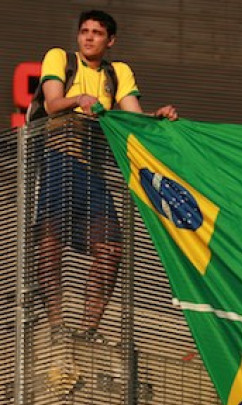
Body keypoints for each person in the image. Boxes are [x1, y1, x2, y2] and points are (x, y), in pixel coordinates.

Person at [36, 9, 177, 341]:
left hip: (92, 169)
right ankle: (57, 325)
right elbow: (51, 104)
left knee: (111, 248)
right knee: (49, 245)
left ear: (110, 40)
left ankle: (88, 329)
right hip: (58, 158)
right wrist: (79, 99)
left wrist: (159, 117)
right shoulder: (59, 58)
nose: (88, 37)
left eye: (97, 33)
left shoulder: (119, 72)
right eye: (84, 31)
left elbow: (134, 122)